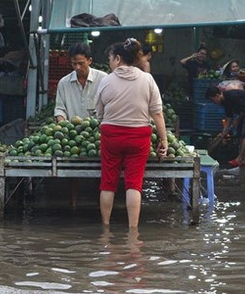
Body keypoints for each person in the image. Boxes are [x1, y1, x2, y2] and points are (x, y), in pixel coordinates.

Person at [91, 37, 168, 230]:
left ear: (118, 58)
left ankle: (105, 228)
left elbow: (99, 113)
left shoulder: (106, 81)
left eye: (110, 58)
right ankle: (133, 230)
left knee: (108, 182)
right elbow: (157, 112)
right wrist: (164, 139)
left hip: (111, 135)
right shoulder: (147, 79)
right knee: (134, 183)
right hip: (139, 136)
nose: (109, 63)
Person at [207, 82, 245, 170]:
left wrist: (238, 119)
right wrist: (224, 131)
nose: (213, 102)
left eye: (213, 100)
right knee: (239, 133)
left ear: (217, 95)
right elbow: (229, 116)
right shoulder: (224, 101)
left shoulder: (231, 96)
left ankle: (239, 158)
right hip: (243, 111)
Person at [53, 43, 103, 120]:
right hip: (71, 130)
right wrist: (62, 122)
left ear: (89, 61)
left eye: (81, 63)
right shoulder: (64, 83)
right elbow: (60, 109)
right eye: (74, 64)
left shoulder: (102, 79)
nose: (77, 67)